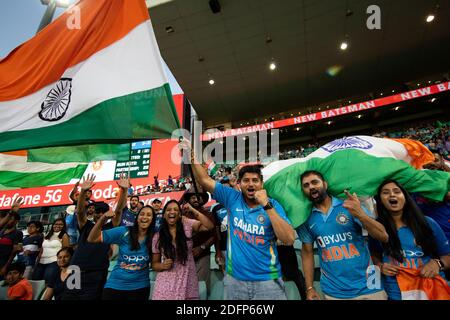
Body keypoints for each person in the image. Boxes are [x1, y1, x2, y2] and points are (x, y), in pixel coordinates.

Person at [179, 139, 296, 300]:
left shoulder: (273, 205)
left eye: (255, 180)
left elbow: (288, 239)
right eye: (246, 180)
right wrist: (191, 154)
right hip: (235, 281)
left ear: (261, 184)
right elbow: (204, 180)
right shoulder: (232, 197)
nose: (251, 184)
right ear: (239, 184)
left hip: (268, 281)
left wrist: (266, 206)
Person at [297, 170, 389, 300]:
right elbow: (307, 252)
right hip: (334, 291)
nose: (311, 187)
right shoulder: (305, 218)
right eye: (306, 185)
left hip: (370, 285)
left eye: (315, 182)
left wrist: (361, 214)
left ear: (325, 184)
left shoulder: (349, 205)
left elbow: (383, 236)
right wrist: (310, 288)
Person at [370, 180, 450, 300]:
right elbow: (373, 255)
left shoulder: (428, 223)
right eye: (386, 192)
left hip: (432, 290)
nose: (392, 195)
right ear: (380, 200)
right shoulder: (377, 228)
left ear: (405, 197)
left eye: (397, 191)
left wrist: (437, 264)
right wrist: (380, 266)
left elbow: (447, 255)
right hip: (396, 293)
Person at [61, 174, 129, 300]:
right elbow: (80, 211)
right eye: (98, 212)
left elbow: (119, 211)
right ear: (94, 213)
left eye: (104, 212)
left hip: (96, 273)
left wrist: (124, 191)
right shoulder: (86, 225)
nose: (100, 214)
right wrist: (83, 191)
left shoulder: (110, 229)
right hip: (76, 271)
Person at [87, 205, 156, 300]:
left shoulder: (155, 237)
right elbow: (92, 238)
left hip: (140, 287)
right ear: (137, 218)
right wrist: (103, 219)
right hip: (115, 285)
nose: (144, 217)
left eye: (149, 215)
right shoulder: (124, 231)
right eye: (142, 214)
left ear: (153, 219)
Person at [151, 200, 214, 300]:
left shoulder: (187, 225)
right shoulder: (157, 237)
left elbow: (209, 226)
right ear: (163, 215)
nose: (172, 212)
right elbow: (154, 264)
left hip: (187, 280)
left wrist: (192, 210)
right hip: (165, 284)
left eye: (176, 209)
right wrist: (162, 265)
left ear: (180, 215)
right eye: (168, 210)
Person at [182, 191, 217, 293]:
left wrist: (202, 247)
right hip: (185, 256)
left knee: (202, 286)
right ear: (188, 201)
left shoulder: (209, 214)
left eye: (198, 197)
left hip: (203, 254)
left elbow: (214, 235)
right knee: (186, 286)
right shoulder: (183, 215)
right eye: (193, 197)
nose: (196, 200)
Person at [33, 218, 69, 285]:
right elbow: (42, 250)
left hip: (53, 262)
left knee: (48, 283)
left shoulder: (64, 235)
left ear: (64, 226)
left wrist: (63, 265)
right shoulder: (46, 235)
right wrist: (37, 262)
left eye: (61, 224)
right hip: (41, 262)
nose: (57, 226)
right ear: (53, 225)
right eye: (56, 224)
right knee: (35, 281)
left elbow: (66, 251)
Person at [0, 197, 24, 281]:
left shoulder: (18, 233)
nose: (8, 221)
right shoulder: (1, 231)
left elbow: (14, 251)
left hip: (3, 262)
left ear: (16, 221)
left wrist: (5, 266)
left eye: (11, 219)